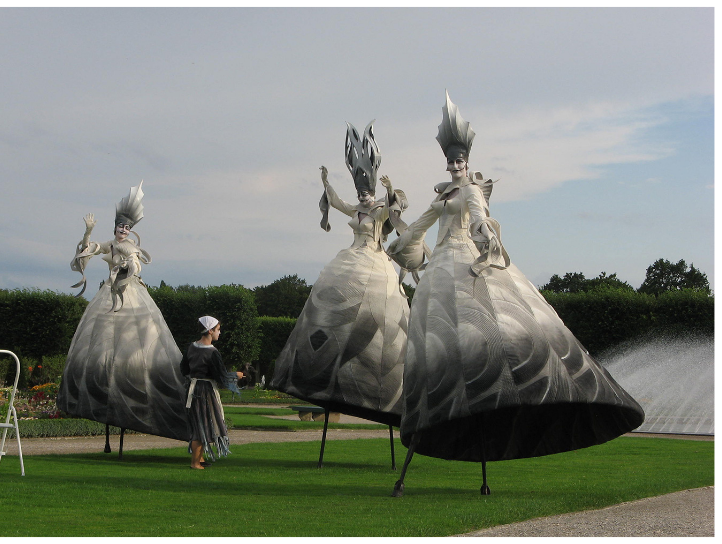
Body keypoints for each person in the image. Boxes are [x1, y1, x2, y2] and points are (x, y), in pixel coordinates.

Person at [388, 91, 644, 495]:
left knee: (493, 327)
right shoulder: (441, 197)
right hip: (441, 267)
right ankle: (444, 409)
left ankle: (520, 387)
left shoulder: (469, 190)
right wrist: (402, 238)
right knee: (440, 339)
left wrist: (484, 235)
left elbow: (479, 216)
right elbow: (421, 226)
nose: (455, 165)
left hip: (465, 260)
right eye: (450, 161)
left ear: (467, 162)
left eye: (459, 160)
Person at [269, 121, 410, 427]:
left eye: (365, 192)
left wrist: (387, 188)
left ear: (371, 191)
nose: (361, 197)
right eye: (359, 192)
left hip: (374, 259)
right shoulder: (357, 210)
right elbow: (335, 201)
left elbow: (395, 207)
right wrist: (325, 180)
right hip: (351, 257)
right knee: (328, 299)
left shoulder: (378, 211)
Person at [57, 181, 190, 443]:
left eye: (127, 228)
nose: (122, 230)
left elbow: (137, 267)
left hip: (130, 292)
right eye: (120, 226)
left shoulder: (131, 247)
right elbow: (90, 249)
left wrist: (129, 268)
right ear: (115, 227)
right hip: (109, 292)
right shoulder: (111, 243)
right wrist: (87, 231)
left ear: (130, 230)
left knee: (139, 340)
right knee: (102, 341)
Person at [180, 316, 243, 469]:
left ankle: (199, 458)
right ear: (210, 331)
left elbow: (184, 369)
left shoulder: (191, 347)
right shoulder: (213, 352)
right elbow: (220, 376)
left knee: (199, 423)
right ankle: (195, 463)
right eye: (218, 330)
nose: (219, 333)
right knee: (203, 426)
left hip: (192, 389)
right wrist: (237, 375)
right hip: (204, 392)